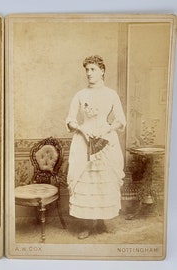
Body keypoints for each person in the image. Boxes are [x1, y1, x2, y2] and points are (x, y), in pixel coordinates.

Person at [65, 55, 126, 239]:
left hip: (106, 141)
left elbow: (120, 120)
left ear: (102, 71)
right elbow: (70, 120)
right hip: (84, 141)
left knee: (104, 179)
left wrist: (108, 128)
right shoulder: (80, 95)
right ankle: (87, 224)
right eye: (87, 70)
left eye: (93, 69)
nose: (89, 73)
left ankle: (102, 221)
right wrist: (82, 129)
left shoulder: (111, 94)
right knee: (86, 181)